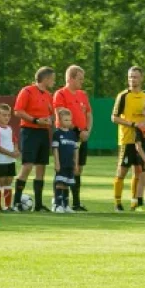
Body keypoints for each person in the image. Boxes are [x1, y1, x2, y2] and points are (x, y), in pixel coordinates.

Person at [51, 65, 93, 211]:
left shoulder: (83, 95)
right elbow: (60, 114)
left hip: (82, 136)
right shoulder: (60, 94)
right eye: (79, 79)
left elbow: (88, 114)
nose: (82, 82)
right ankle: (57, 201)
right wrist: (76, 130)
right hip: (67, 135)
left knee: (77, 168)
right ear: (70, 79)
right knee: (63, 167)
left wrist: (86, 131)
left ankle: (74, 202)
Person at [12, 67, 54, 213]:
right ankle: (16, 202)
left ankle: (39, 204)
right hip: (30, 132)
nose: (53, 82)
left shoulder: (49, 95)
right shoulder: (27, 91)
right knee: (27, 166)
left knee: (41, 167)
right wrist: (35, 120)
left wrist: (49, 120)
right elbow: (18, 111)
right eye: (52, 79)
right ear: (46, 79)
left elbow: (50, 114)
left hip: (43, 132)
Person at [111, 66, 145, 212]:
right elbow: (114, 118)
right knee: (122, 171)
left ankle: (135, 202)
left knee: (139, 171)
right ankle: (117, 202)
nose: (132, 80)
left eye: (135, 77)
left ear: (141, 78)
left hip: (142, 140)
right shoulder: (123, 96)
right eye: (130, 77)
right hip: (127, 139)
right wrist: (133, 124)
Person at [51, 108, 81, 213]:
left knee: (67, 184)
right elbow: (55, 150)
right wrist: (57, 163)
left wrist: (76, 164)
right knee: (60, 183)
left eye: (69, 120)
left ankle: (66, 205)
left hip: (70, 164)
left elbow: (76, 150)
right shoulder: (57, 134)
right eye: (65, 120)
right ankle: (57, 205)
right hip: (61, 163)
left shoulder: (73, 135)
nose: (68, 122)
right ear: (60, 120)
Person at [0, 103, 18, 212]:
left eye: (8, 115)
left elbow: (14, 140)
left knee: (9, 181)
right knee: (0, 182)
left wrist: (16, 150)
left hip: (10, 160)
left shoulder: (10, 128)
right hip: (0, 161)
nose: (7, 117)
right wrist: (10, 153)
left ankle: (7, 205)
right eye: (4, 115)